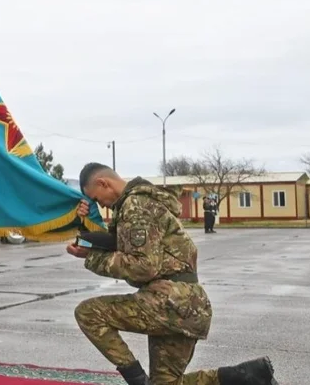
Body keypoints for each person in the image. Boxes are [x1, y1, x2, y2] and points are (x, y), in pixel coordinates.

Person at [67, 163, 278, 385]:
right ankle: (248, 376)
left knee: (89, 313)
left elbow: (143, 266)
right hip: (186, 303)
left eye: (97, 199)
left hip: (170, 300)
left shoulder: (136, 205)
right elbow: (120, 243)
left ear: (104, 183)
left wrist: (91, 258)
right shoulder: (141, 202)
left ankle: (138, 381)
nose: (100, 205)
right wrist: (84, 229)